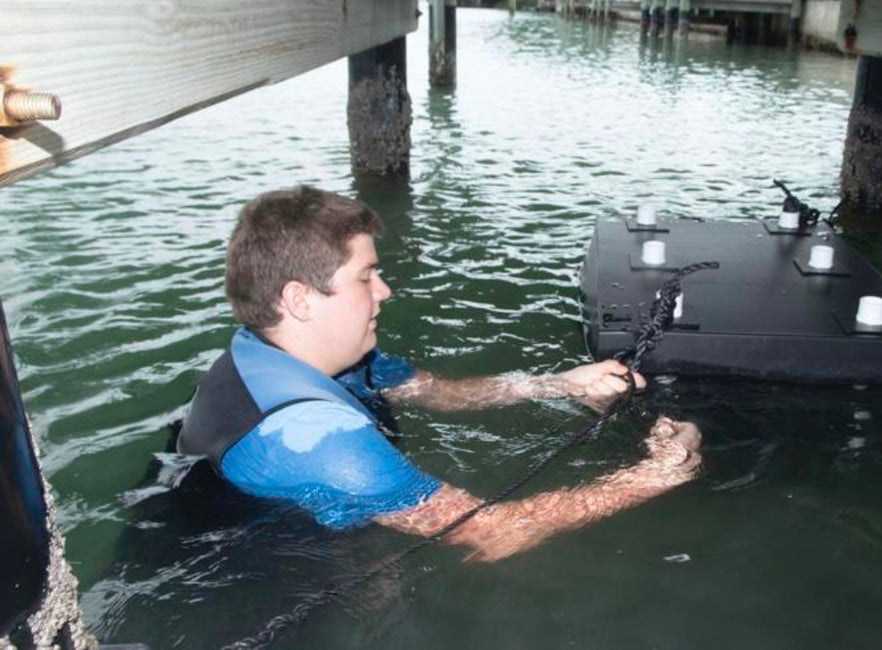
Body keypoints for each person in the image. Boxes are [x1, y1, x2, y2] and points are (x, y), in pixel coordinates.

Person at [178, 186, 701, 562]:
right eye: (366, 276)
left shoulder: (290, 354)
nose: (384, 291)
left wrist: (560, 383)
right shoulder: (318, 441)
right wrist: (655, 475)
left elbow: (440, 393)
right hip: (254, 589)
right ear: (300, 299)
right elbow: (490, 533)